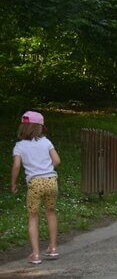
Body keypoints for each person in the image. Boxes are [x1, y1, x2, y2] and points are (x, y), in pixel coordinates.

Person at [10, 111, 60, 265]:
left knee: (33, 216)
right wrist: (45, 169)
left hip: (35, 184)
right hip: (51, 181)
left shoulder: (19, 146)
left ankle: (36, 254)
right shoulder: (46, 142)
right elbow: (57, 161)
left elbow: (17, 165)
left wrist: (13, 183)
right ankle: (52, 248)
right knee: (50, 213)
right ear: (40, 127)